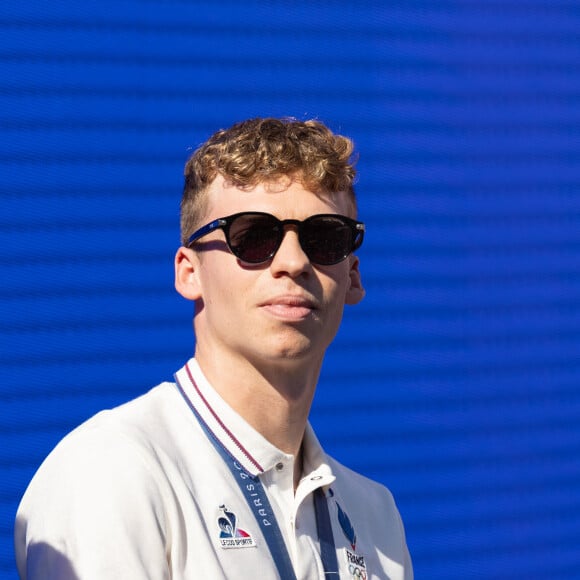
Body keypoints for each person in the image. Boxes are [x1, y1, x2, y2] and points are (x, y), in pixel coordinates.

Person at [15, 117, 413, 579]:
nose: (293, 261)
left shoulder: (376, 516)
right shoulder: (111, 471)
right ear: (189, 272)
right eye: (253, 236)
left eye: (325, 237)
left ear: (354, 277)